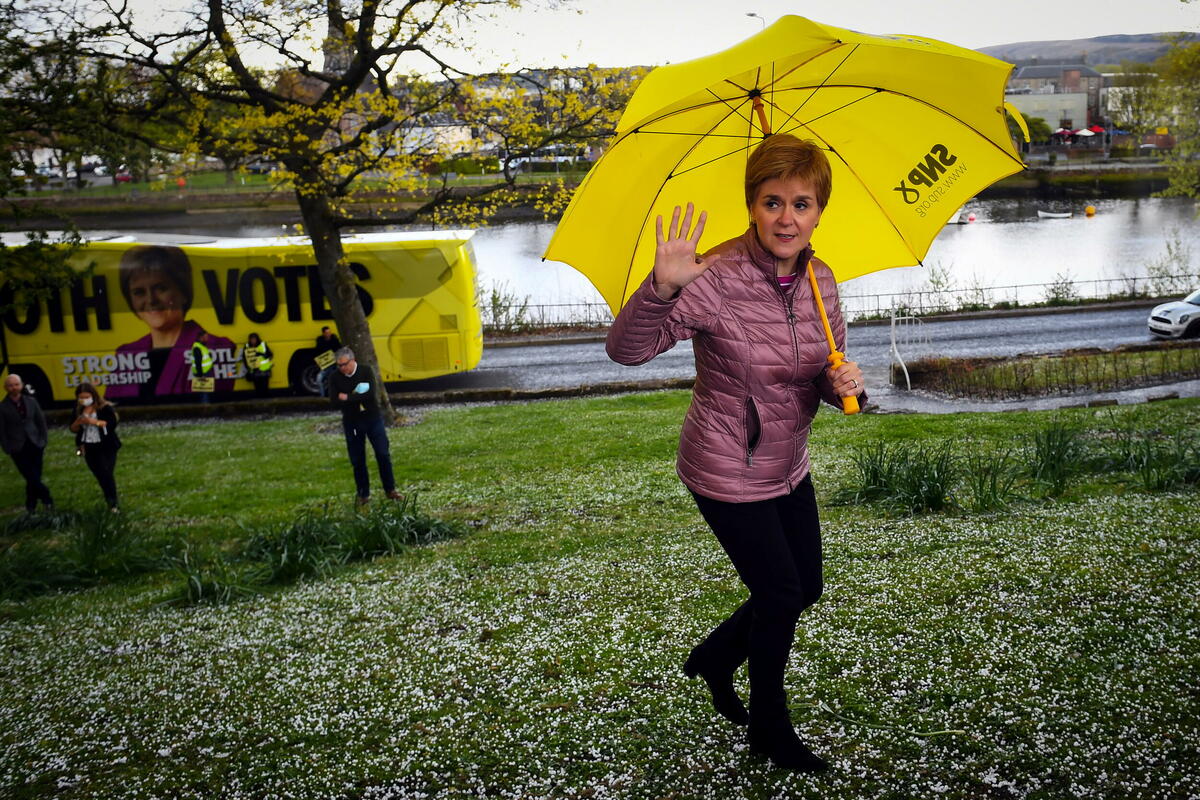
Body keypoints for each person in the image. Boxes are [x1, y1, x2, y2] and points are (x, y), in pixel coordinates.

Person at [605, 135, 865, 773]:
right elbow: (626, 351)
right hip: (724, 462)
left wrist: (844, 386)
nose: (786, 219)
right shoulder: (714, 276)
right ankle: (769, 728)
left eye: (801, 204)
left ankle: (716, 658)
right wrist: (661, 290)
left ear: (819, 211)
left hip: (787, 461)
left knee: (805, 586)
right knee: (780, 592)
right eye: (772, 202)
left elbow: (817, 374)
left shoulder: (821, 281)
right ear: (752, 205)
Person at [106, 245, 236, 401]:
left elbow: (205, 405)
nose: (151, 300)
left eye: (161, 288)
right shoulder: (126, 354)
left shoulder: (215, 347)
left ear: (183, 292)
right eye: (139, 292)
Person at [328, 346, 402, 507]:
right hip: (352, 422)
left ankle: (390, 489)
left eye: (344, 364)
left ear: (352, 360)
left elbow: (370, 394)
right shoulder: (334, 377)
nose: (342, 368)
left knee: (383, 453)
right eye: (339, 365)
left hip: (372, 419)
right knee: (357, 459)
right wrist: (355, 396)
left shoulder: (365, 371)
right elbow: (334, 400)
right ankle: (363, 494)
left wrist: (347, 397)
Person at [0, 373, 54, 513]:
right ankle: (46, 497)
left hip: (35, 443)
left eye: (16, 384)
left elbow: (40, 421)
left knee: (34, 476)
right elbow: (2, 430)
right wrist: (7, 447)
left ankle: (31, 505)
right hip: (17, 447)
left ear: (21, 385)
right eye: (10, 385)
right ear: (5, 387)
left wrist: (43, 440)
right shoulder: (2, 407)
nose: (14, 388)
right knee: (30, 476)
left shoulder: (31, 401)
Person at [69, 382, 122, 511]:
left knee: (106, 473)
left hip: (106, 446)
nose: (84, 400)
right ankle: (110, 500)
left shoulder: (104, 408)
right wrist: (79, 422)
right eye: (81, 397)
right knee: (100, 475)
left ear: (93, 395)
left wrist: (93, 422)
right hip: (89, 447)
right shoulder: (78, 410)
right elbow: (73, 428)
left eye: (86, 397)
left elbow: (110, 424)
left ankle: (113, 503)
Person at [242, 332, 274, 397]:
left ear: (257, 339)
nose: (253, 341)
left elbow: (270, 355)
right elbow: (245, 358)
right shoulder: (247, 346)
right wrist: (248, 368)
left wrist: (261, 354)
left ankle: (265, 397)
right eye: (251, 339)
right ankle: (259, 397)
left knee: (265, 386)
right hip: (254, 370)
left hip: (264, 369)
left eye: (254, 339)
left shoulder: (262, 345)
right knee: (257, 386)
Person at [314, 326, 341, 397]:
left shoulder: (334, 340)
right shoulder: (320, 341)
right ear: (323, 334)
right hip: (325, 365)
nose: (329, 334)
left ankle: (332, 395)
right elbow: (318, 352)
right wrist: (318, 362)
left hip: (334, 365)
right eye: (327, 333)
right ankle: (322, 396)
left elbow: (339, 350)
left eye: (329, 332)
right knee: (319, 379)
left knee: (332, 380)